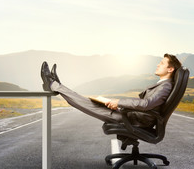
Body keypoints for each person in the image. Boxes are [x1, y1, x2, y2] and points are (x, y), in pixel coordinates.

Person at [40, 54, 182, 128]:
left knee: (85, 103)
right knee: (88, 102)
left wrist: (119, 102)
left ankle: (53, 84)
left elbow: (146, 104)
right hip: (131, 115)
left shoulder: (165, 86)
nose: (158, 64)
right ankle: (57, 84)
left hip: (133, 119)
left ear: (170, 69)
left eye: (162, 63)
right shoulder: (164, 84)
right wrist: (117, 104)